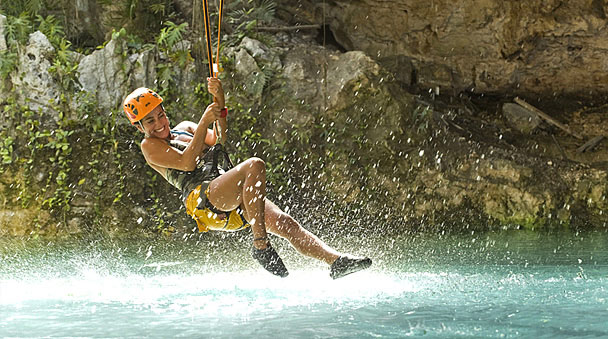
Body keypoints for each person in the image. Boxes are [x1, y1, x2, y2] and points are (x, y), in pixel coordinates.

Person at [122, 77, 371, 279]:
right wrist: (202, 121)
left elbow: (219, 137)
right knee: (254, 165)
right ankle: (261, 245)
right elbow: (186, 162)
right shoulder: (149, 146)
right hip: (204, 200)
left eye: (160, 115)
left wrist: (219, 99)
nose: (159, 124)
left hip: (227, 191)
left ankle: (336, 262)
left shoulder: (185, 127)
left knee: (285, 223)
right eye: (150, 121)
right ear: (139, 127)